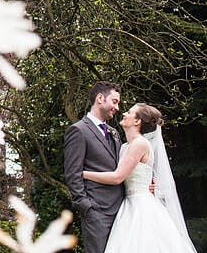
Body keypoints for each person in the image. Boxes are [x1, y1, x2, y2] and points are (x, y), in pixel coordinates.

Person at [83, 103, 197, 253]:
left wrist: (83, 174)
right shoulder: (125, 146)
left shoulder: (140, 144)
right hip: (128, 203)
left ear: (137, 121)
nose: (124, 113)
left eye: (129, 112)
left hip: (141, 206)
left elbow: (117, 177)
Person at [63, 81, 125, 253]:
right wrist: (86, 207)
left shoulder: (114, 132)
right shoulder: (78, 130)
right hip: (97, 212)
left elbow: (121, 168)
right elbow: (72, 173)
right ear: (100, 98)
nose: (117, 108)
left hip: (122, 211)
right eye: (114, 102)